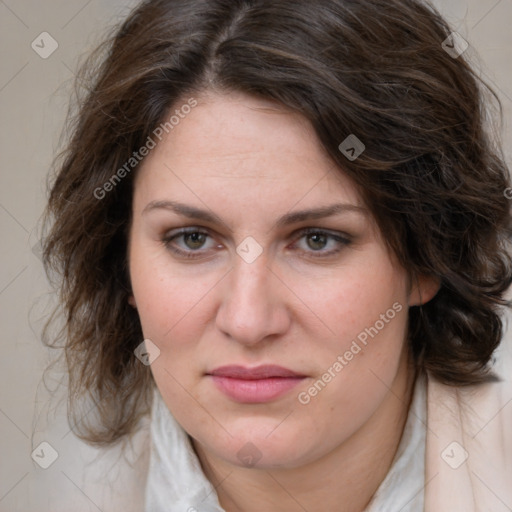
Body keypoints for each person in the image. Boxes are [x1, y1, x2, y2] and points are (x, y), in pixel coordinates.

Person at [40, 0, 512, 510]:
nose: (248, 321)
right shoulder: (70, 488)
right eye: (192, 239)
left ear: (428, 256)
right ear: (121, 261)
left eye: (317, 240)